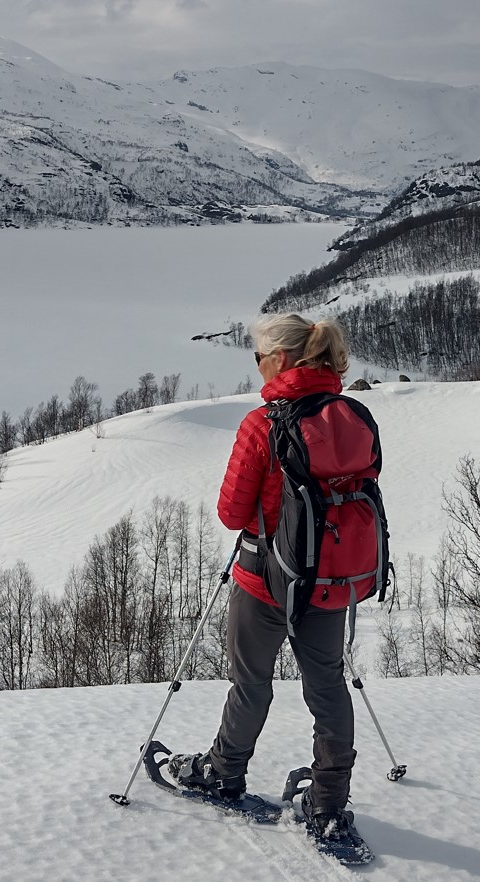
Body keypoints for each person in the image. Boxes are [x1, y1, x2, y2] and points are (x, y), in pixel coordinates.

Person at [169, 314, 377, 840]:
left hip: (265, 580)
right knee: (328, 684)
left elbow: (231, 513)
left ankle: (224, 771)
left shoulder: (262, 424)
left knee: (251, 681)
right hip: (330, 582)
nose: (257, 366)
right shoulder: (353, 417)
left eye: (259, 357)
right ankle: (329, 802)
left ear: (281, 359)